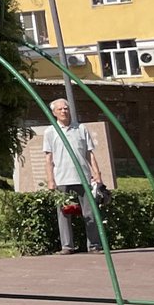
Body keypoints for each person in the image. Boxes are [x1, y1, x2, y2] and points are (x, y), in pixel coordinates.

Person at [43, 98, 105, 254]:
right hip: (62, 178)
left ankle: (94, 245)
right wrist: (50, 180)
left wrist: (97, 174)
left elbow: (89, 153)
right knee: (63, 213)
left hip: (83, 177)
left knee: (90, 212)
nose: (64, 111)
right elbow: (48, 158)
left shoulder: (81, 129)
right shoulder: (50, 132)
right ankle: (67, 246)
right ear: (54, 113)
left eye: (66, 108)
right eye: (60, 109)